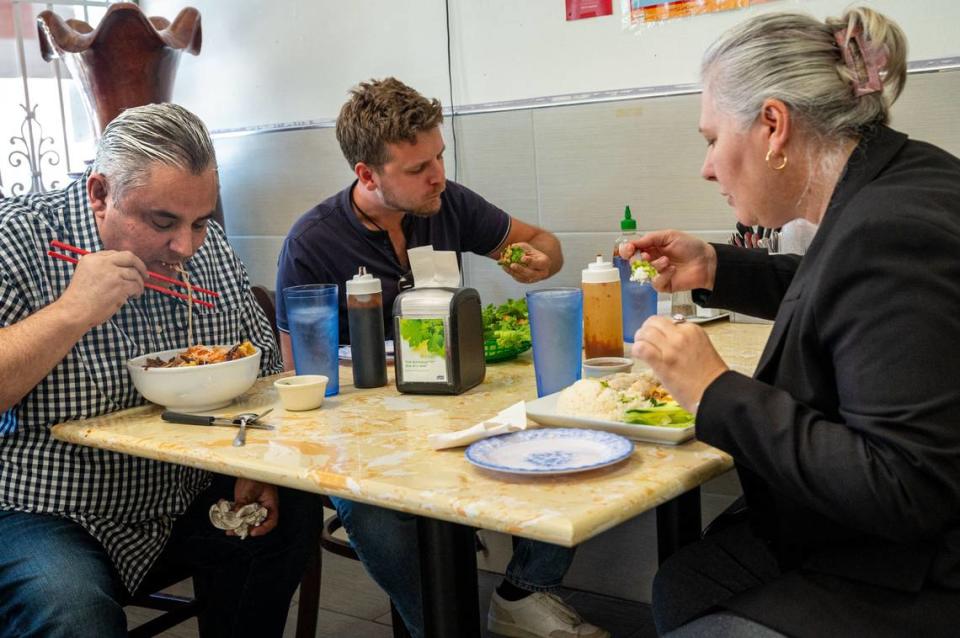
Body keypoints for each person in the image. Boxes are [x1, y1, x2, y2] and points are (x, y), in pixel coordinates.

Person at [620, 7, 960, 637]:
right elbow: (840, 289)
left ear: (773, 126)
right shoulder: (899, 177)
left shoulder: (890, 230)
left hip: (920, 573)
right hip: (890, 539)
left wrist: (714, 390)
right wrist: (714, 264)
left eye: (711, 139)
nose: (707, 166)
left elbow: (904, 487)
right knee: (684, 582)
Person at [276, 78, 608, 638]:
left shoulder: (447, 203)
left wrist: (537, 262)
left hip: (457, 405)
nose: (438, 176)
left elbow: (544, 243)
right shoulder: (312, 242)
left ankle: (521, 593)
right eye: (417, 168)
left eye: (440, 157)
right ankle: (440, 624)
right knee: (375, 513)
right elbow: (300, 375)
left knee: (568, 438)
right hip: (364, 432)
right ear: (367, 174)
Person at [0, 103, 322, 637]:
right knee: (71, 609)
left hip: (181, 493)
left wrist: (252, 467)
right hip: (43, 506)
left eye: (200, 222)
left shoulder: (207, 248)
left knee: (290, 515)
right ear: (100, 194)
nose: (185, 247)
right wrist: (72, 310)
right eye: (163, 222)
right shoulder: (21, 239)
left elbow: (263, 369)